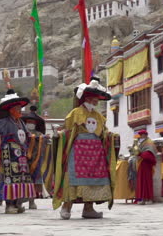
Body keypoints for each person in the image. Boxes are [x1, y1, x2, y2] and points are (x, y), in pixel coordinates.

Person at [52, 77, 117, 220]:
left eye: (97, 99)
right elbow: (68, 130)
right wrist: (60, 134)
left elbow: (103, 132)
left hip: (96, 153)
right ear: (86, 97)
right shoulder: (75, 113)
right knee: (72, 178)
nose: (96, 101)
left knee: (93, 180)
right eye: (93, 98)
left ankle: (89, 208)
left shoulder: (99, 116)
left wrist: (110, 135)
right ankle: (66, 207)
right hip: (79, 151)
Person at [0, 89, 35, 214]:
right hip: (9, 153)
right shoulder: (4, 122)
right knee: (10, 178)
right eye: (18, 109)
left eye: (20, 108)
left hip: (21, 154)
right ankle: (9, 205)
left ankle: (18, 203)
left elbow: (28, 135)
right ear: (11, 110)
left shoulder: (21, 122)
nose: (20, 111)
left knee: (22, 178)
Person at [21, 105, 48, 210]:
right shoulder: (22, 133)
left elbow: (45, 144)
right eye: (28, 122)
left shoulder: (40, 134)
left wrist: (45, 139)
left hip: (36, 160)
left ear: (35, 124)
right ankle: (20, 201)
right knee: (22, 180)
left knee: (34, 181)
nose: (30, 124)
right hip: (23, 159)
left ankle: (32, 201)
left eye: (32, 122)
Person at [135, 129, 157, 205]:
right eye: (140, 135)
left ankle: (149, 198)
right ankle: (142, 198)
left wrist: (141, 154)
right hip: (141, 164)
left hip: (146, 164)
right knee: (141, 181)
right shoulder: (140, 143)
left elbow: (150, 153)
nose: (141, 136)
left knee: (147, 181)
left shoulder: (149, 143)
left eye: (142, 135)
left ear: (146, 135)